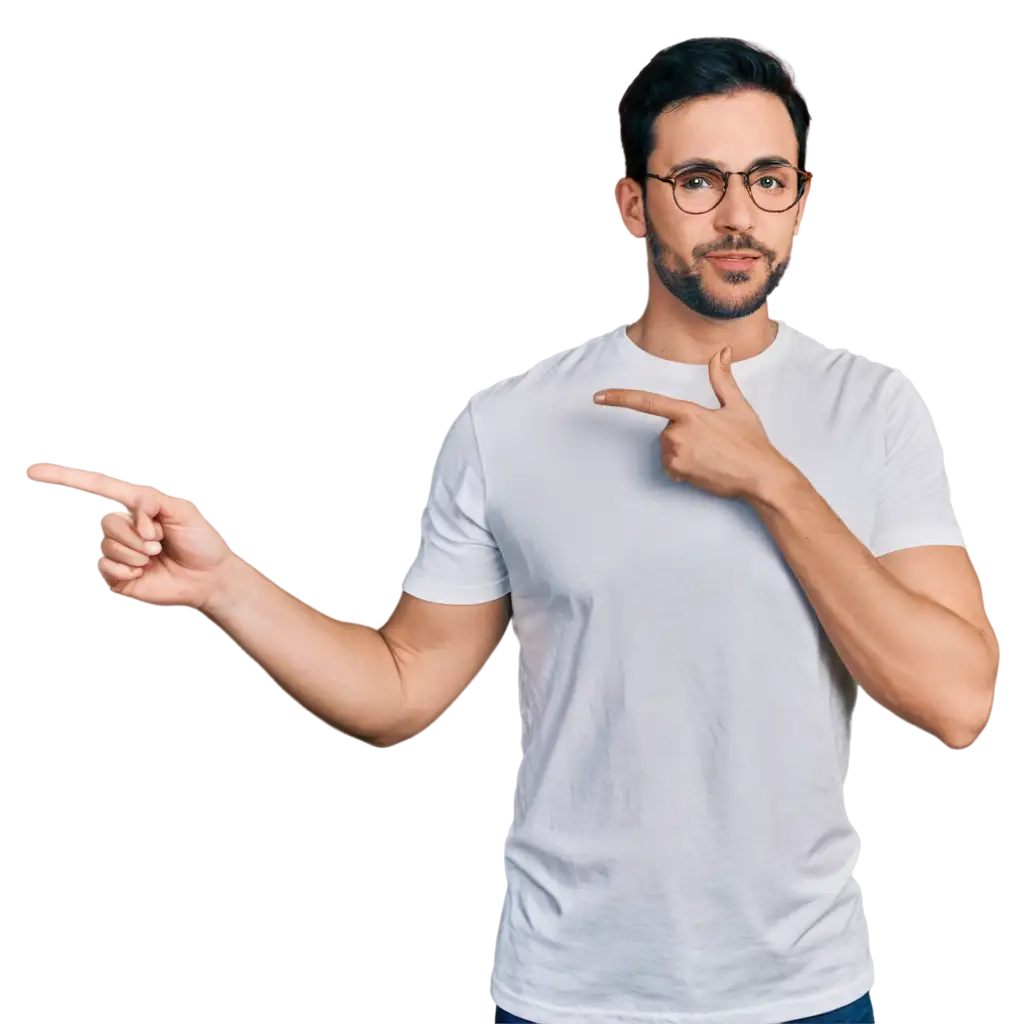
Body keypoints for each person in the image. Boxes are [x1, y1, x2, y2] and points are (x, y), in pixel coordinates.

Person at [25, 34, 999, 1024]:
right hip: (568, 994)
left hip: (803, 994)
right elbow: (401, 688)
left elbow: (955, 702)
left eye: (767, 179)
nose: (737, 215)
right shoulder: (508, 421)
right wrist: (223, 585)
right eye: (698, 180)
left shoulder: (873, 406)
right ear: (630, 204)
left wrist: (773, 486)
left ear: (802, 200)